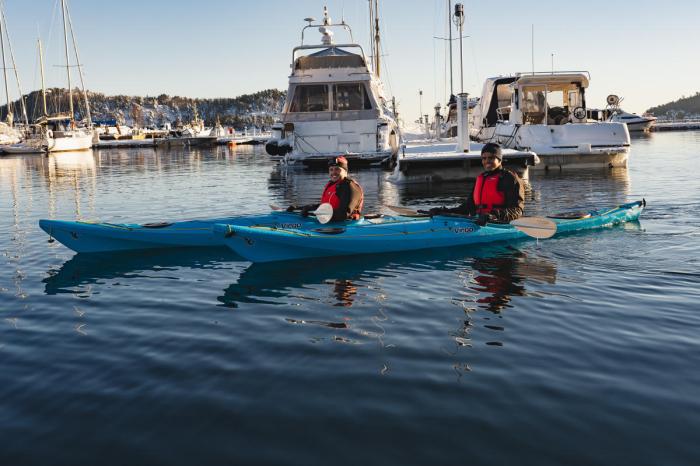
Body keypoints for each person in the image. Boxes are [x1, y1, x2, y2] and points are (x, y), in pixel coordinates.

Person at [426, 142, 524, 225]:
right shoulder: (482, 178)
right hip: (479, 222)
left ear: (499, 159)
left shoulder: (509, 178)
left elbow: (517, 211)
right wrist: (443, 211)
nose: (486, 161)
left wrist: (493, 215)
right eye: (484, 158)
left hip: (499, 224)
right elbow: (467, 208)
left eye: (491, 158)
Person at [287, 156, 364, 222]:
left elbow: (343, 214)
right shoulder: (334, 185)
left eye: (337, 169)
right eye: (331, 169)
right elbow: (327, 206)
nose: (334, 172)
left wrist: (314, 213)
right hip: (329, 222)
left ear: (345, 172)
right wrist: (303, 208)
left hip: (345, 226)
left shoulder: (350, 187)